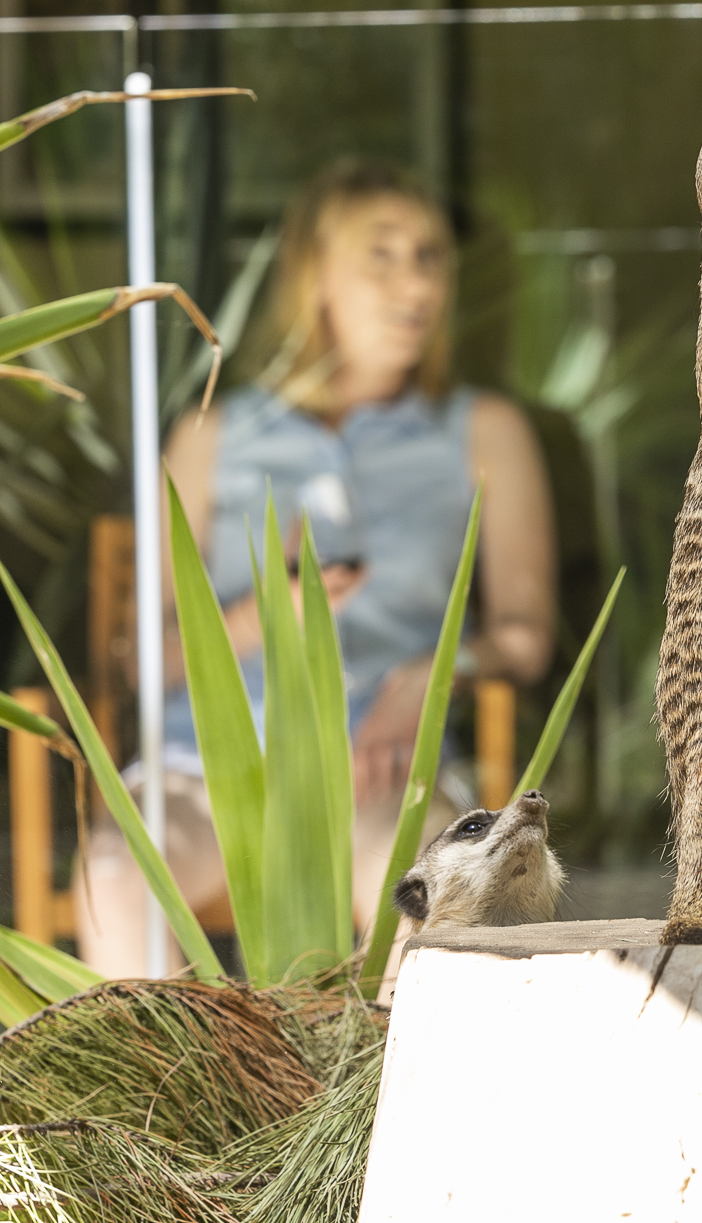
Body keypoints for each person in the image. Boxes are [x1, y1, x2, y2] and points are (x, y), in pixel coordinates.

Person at [77, 159, 557, 977]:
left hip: (384, 769)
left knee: (431, 890)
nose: (416, 283)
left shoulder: (483, 430)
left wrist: (429, 678)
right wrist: (263, 617)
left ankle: (380, 1067)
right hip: (210, 770)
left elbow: (525, 635)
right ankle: (178, 1066)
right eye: (383, 255)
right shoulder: (212, 435)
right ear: (316, 276)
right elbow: (142, 660)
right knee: (116, 878)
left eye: (429, 256)